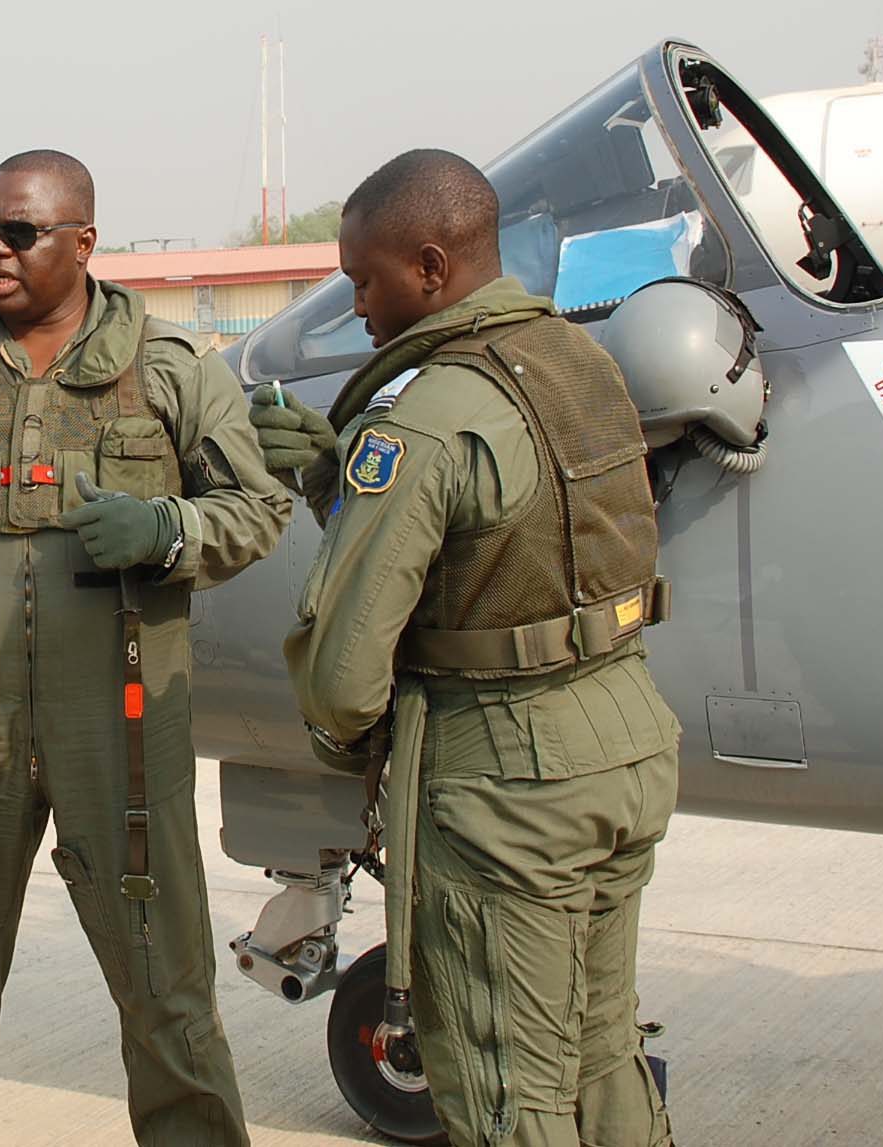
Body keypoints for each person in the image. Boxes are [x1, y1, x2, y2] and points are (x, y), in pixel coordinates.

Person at [0, 149, 291, 1145]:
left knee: (165, 984)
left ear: (83, 242)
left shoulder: (170, 372)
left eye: (19, 233)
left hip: (122, 721)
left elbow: (256, 508)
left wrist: (169, 532)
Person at [261, 149, 679, 1147]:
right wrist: (336, 483)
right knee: (598, 1050)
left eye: (366, 278)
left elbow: (341, 677)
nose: (357, 303)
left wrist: (344, 741)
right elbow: (512, 544)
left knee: (504, 1085)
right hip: (621, 742)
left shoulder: (424, 415)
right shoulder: (579, 363)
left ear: (433, 266)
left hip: (505, 786)